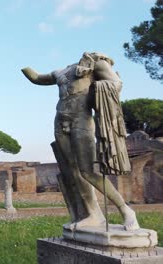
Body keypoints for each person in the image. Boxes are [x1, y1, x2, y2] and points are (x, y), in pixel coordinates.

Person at [21, 52, 139, 231]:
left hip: (81, 120)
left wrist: (99, 88)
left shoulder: (97, 64)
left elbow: (116, 84)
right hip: (60, 122)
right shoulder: (60, 72)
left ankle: (126, 210)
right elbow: (36, 77)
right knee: (72, 171)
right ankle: (92, 215)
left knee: (88, 172)